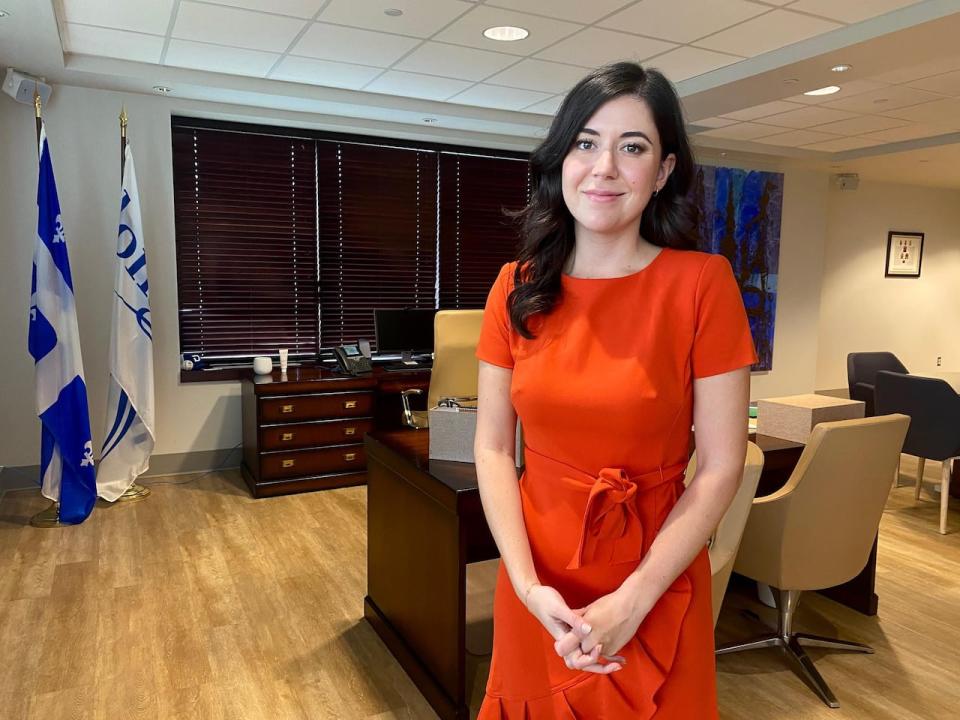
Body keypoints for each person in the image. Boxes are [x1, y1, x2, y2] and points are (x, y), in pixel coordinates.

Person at [473, 62, 757, 718]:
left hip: (651, 574)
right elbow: (492, 449)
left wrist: (635, 599)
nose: (605, 167)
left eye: (633, 147)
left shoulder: (702, 284)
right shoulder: (514, 286)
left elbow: (721, 466)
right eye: (585, 142)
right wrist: (524, 584)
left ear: (661, 173)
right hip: (537, 576)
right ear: (560, 159)